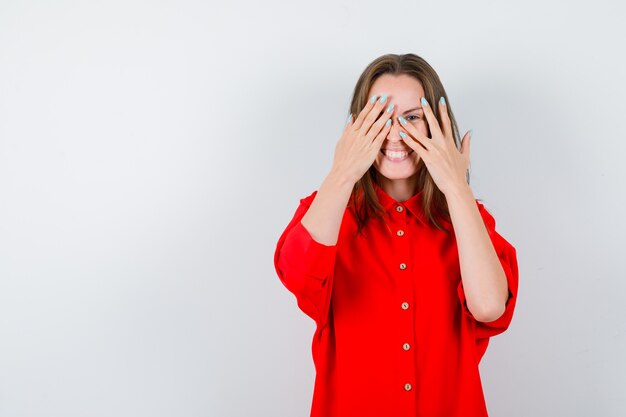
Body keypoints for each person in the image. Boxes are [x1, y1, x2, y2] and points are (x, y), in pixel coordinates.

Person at [273, 53, 519, 417]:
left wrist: (456, 187)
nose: (394, 133)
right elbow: (298, 277)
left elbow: (488, 306)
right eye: (380, 117)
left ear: (438, 124)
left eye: (412, 117)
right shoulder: (326, 212)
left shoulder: (467, 219)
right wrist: (342, 172)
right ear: (357, 127)